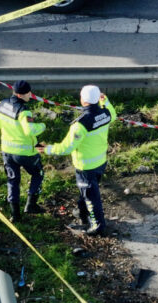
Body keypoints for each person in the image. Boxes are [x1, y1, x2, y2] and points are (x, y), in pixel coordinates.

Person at [38, 85, 116, 236]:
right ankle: (83, 213)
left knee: (91, 197)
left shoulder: (80, 125)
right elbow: (112, 111)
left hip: (85, 166)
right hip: (100, 162)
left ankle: (97, 226)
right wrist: (105, 101)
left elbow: (66, 148)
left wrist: (47, 149)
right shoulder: (106, 113)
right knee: (87, 192)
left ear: (83, 100)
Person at [0, 80, 46, 222]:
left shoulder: (1, 104)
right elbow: (30, 130)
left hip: (7, 151)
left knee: (12, 180)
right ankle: (31, 205)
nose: (30, 95)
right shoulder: (24, 110)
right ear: (25, 93)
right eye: (30, 93)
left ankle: (14, 215)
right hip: (25, 153)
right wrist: (42, 125)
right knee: (38, 173)